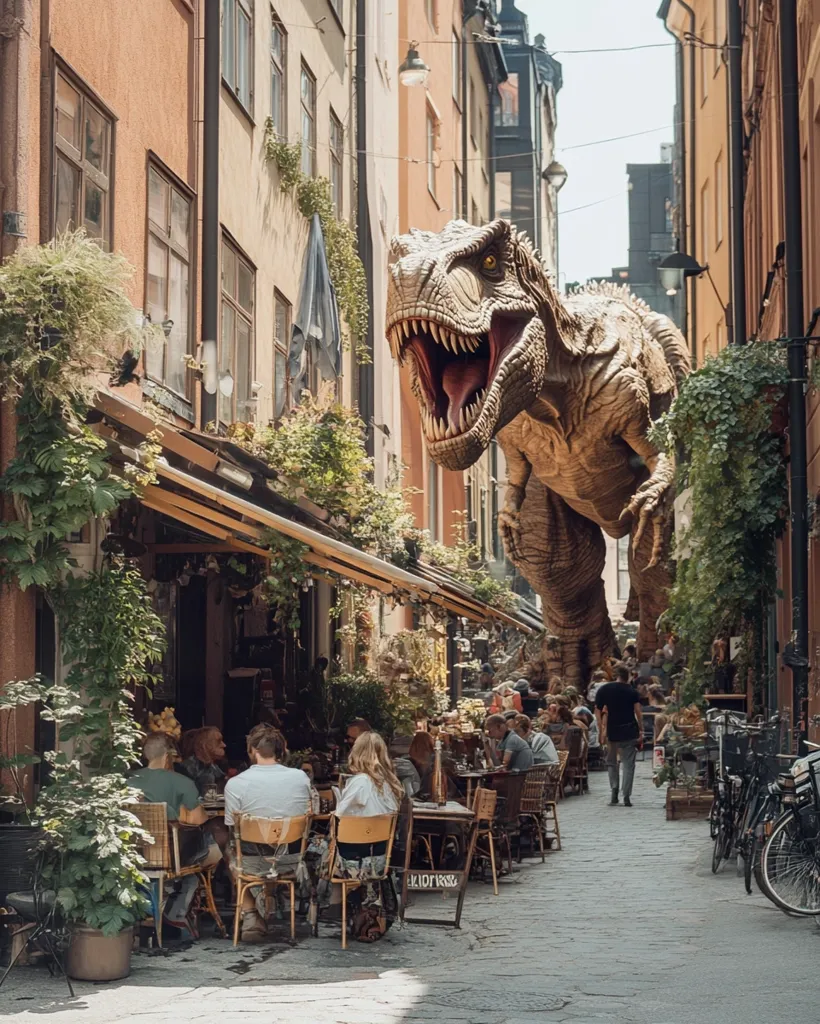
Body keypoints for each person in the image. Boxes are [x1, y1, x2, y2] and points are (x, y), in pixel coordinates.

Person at [224, 724, 313, 940]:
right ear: (281, 750)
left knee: (229, 849)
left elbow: (231, 827)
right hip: (290, 860)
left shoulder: (235, 784)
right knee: (285, 841)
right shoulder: (300, 778)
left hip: (252, 862)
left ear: (252, 750)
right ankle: (271, 902)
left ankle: (251, 913)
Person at [131, 733, 221, 935]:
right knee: (212, 849)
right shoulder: (181, 781)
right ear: (166, 757)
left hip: (134, 854)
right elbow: (199, 820)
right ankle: (177, 913)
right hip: (170, 856)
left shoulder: (129, 780)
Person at [333, 732, 403, 942]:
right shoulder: (391, 784)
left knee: (318, 848)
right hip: (381, 858)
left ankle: (332, 902)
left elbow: (339, 815)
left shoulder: (360, 782)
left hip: (354, 859)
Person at [595, 663, 642, 807]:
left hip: (611, 731)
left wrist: (601, 728)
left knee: (611, 762)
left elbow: (598, 710)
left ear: (616, 675)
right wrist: (641, 729)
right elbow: (638, 712)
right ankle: (626, 795)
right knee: (628, 764)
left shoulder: (604, 690)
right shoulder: (632, 691)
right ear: (627, 676)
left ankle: (614, 790)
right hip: (628, 730)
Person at [179, 727, 227, 796]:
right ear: (204, 744)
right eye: (218, 741)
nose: (224, 745)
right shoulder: (188, 767)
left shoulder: (213, 766)